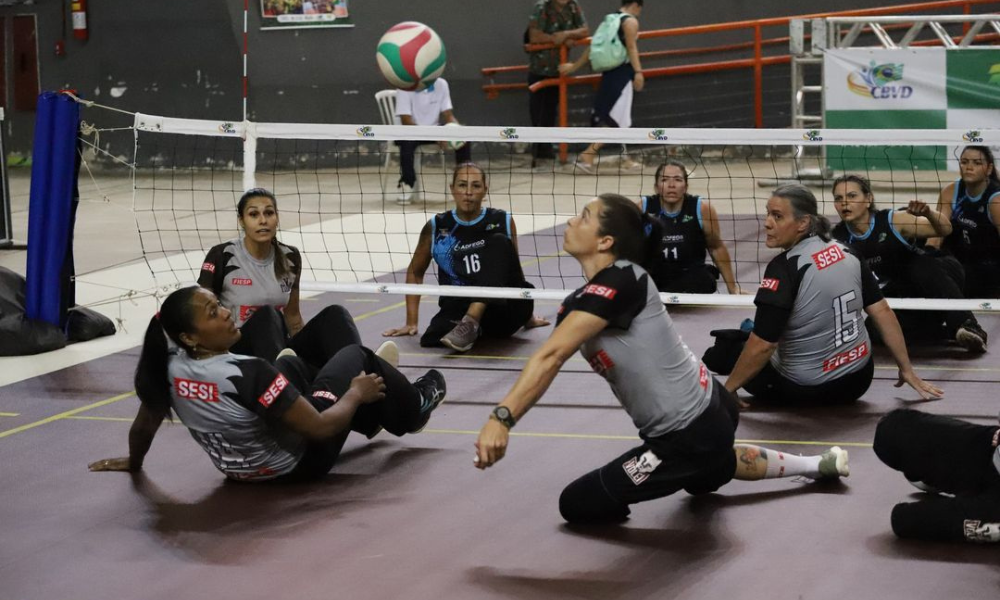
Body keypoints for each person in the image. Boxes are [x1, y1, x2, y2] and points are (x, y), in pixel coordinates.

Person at [473, 193, 853, 524]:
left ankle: (674, 469)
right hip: (713, 411)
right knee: (710, 467)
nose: (571, 221)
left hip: (686, 435)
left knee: (579, 503)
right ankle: (816, 465)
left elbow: (551, 355)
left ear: (605, 241)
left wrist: (501, 419)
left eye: (583, 217)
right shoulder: (599, 291)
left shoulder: (622, 280)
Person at [88, 286, 447, 482]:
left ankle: (370, 406)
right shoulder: (247, 372)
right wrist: (355, 394)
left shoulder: (165, 369)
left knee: (295, 353)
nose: (227, 312)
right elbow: (321, 429)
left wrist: (134, 463)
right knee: (357, 354)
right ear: (190, 337)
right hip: (299, 461)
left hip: (238, 470)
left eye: (219, 305)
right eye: (214, 313)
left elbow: (143, 426)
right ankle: (414, 406)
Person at [722, 184, 942, 406]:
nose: (768, 223)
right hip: (858, 380)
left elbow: (763, 345)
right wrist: (907, 370)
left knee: (729, 348)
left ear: (804, 223)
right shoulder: (848, 251)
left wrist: (726, 391)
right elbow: (882, 312)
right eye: (768, 214)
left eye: (777, 216)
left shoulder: (784, 268)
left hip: (806, 389)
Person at [383, 163, 549, 352]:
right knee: (431, 338)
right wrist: (411, 322)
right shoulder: (437, 225)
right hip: (458, 305)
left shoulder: (501, 220)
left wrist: (528, 318)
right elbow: (415, 272)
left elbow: (513, 271)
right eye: (462, 185)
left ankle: (472, 322)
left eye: (476, 186)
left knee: (498, 242)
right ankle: (472, 327)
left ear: (485, 190)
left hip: (502, 308)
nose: (468, 192)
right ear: (452, 189)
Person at [198, 188, 357, 366]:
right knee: (267, 315)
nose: (263, 220)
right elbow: (200, 314)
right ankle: (282, 384)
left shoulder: (290, 256)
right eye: (253, 214)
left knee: (336, 314)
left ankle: (360, 368)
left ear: (277, 218)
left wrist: (307, 348)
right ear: (241, 221)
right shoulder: (223, 254)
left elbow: (293, 317)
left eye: (269, 213)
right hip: (237, 350)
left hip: (278, 347)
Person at [831, 174, 987, 352]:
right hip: (905, 294)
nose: (844, 203)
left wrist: (928, 213)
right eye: (838, 198)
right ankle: (950, 333)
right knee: (874, 329)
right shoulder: (838, 239)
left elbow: (945, 228)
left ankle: (969, 325)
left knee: (916, 266)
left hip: (940, 274)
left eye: (852, 196)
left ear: (868, 199)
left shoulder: (892, 220)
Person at [873, 408, 1000, 543]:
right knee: (889, 430)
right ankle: (953, 484)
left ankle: (969, 496)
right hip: (992, 449)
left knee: (902, 520)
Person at [559, 0, 644, 174]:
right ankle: (588, 155)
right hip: (622, 75)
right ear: (636, 5)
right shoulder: (630, 21)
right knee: (616, 119)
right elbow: (632, 48)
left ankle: (624, 158)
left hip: (608, 75)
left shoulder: (609, 20)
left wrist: (573, 67)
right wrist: (638, 72)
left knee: (619, 119)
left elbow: (592, 47)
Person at [641, 159, 742, 294]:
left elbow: (716, 247)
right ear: (656, 186)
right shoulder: (643, 208)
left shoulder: (701, 208)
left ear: (686, 186)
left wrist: (733, 288)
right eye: (665, 180)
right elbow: (631, 249)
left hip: (690, 274)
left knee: (704, 280)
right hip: (657, 274)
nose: (671, 185)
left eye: (677, 179)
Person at [927, 145, 1000, 298]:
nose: (969, 167)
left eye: (976, 163)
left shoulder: (995, 200)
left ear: (988, 168)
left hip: (988, 267)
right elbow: (936, 236)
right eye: (964, 162)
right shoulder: (951, 191)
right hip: (959, 261)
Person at [526, 0, 589, 165]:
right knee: (537, 114)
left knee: (551, 112)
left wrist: (567, 35)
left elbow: (584, 30)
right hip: (539, 70)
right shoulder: (542, 7)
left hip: (558, 71)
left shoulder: (573, 6)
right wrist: (556, 39)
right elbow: (534, 35)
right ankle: (538, 154)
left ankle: (547, 152)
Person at [395, 77, 471, 204]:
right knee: (407, 143)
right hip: (409, 131)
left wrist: (457, 131)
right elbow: (406, 121)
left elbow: (448, 115)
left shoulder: (441, 84)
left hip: (434, 130)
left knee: (465, 140)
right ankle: (407, 183)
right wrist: (435, 135)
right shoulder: (404, 85)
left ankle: (464, 185)